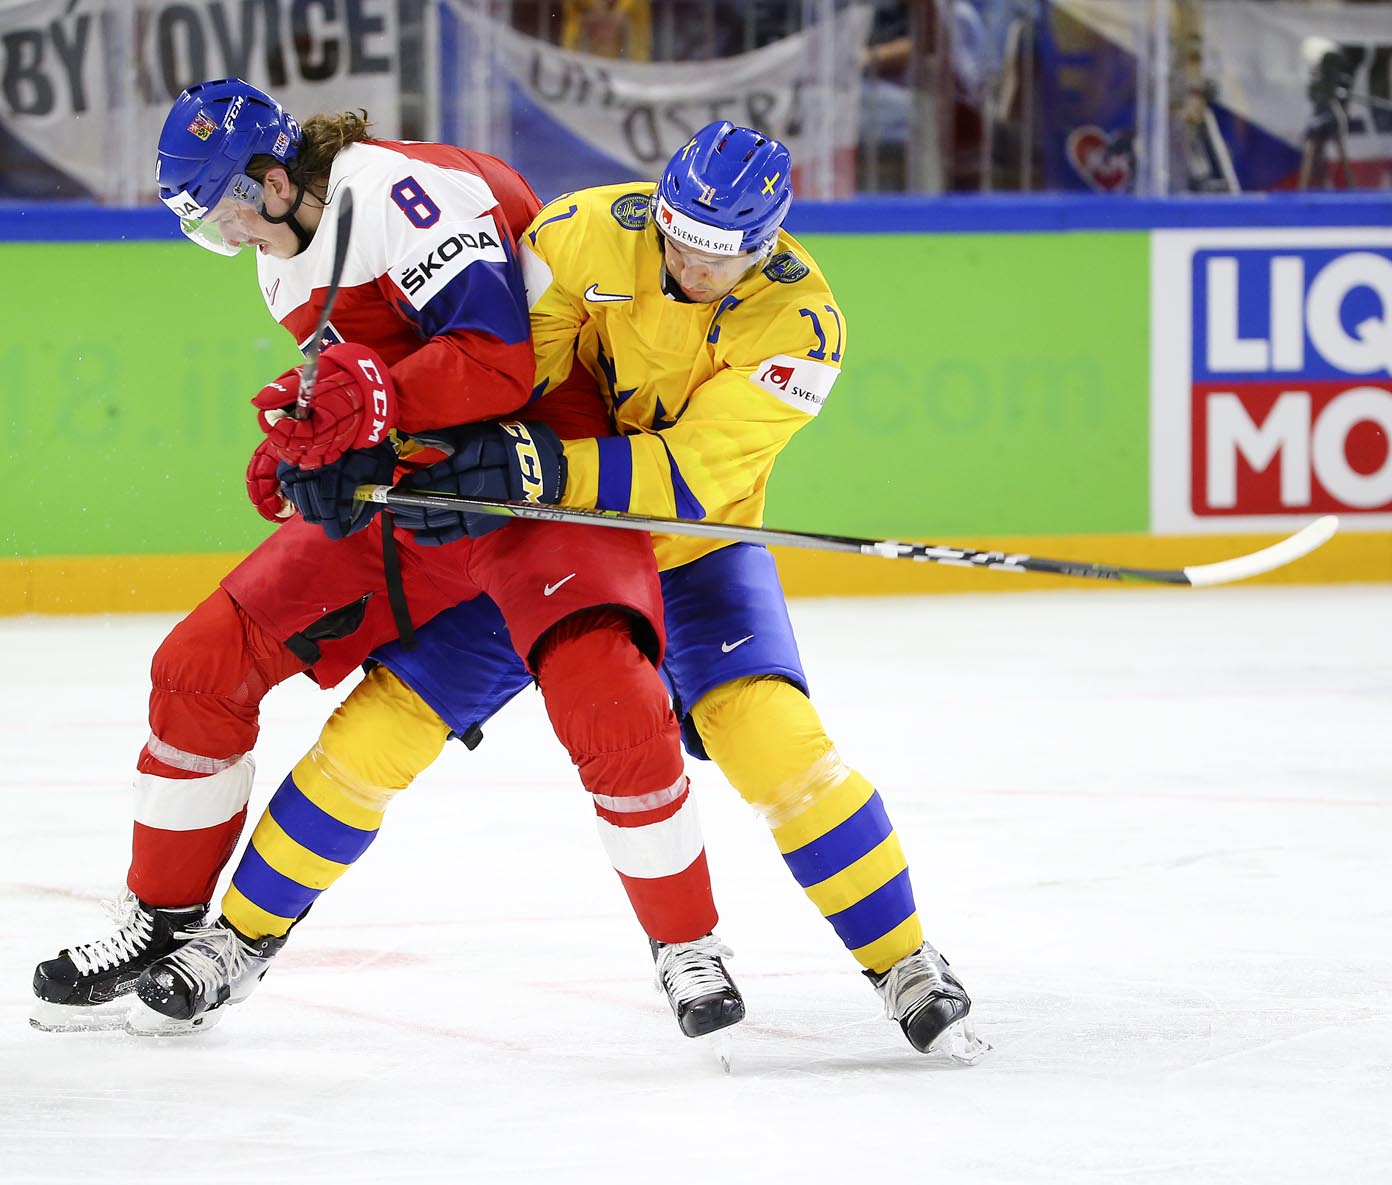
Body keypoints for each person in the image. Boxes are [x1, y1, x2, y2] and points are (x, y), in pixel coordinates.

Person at [146, 120, 987, 1063]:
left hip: (692, 551)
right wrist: (379, 446)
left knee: (776, 745)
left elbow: (693, 474)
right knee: (374, 733)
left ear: (768, 243)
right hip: (543, 533)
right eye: (678, 237)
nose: (689, 265)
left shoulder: (804, 328)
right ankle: (239, 938)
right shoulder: (582, 229)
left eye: (719, 255)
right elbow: (509, 374)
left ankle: (904, 961)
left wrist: (536, 470)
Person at [29, 78, 740, 1043]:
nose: (232, 236)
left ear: (278, 179)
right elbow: (362, 392)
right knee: (199, 662)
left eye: (233, 210)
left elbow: (497, 363)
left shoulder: (404, 192)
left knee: (608, 695)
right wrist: (306, 435)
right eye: (213, 224)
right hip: (427, 486)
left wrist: (364, 412)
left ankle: (686, 943)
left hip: (531, 468)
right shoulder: (283, 259)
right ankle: (162, 916)